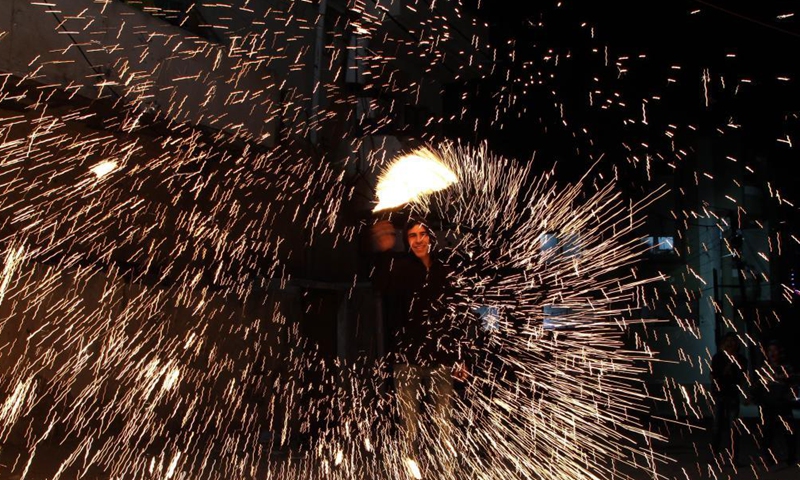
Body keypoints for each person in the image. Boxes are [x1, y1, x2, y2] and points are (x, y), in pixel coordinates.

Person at [370, 218, 470, 468]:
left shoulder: (445, 270)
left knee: (443, 421)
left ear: (431, 238)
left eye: (422, 234)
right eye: (412, 235)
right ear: (406, 241)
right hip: (407, 360)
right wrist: (384, 251)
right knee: (409, 424)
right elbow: (380, 285)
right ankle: (410, 471)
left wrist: (462, 355)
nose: (418, 240)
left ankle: (446, 470)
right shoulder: (400, 267)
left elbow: (457, 314)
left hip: (441, 359)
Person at [751, 341, 797, 468]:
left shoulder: (786, 367)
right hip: (768, 404)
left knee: (789, 431)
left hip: (783, 403)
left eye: (774, 350)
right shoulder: (763, 368)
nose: (772, 353)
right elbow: (757, 385)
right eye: (770, 350)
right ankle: (767, 456)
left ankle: (791, 457)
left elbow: (792, 381)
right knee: (768, 431)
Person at [710, 331, 747, 465]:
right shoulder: (718, 358)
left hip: (732, 395)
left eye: (733, 341)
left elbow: (742, 376)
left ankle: (734, 457)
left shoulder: (741, 359)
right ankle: (715, 454)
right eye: (728, 341)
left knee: (734, 428)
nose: (730, 344)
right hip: (720, 395)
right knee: (717, 426)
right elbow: (715, 375)